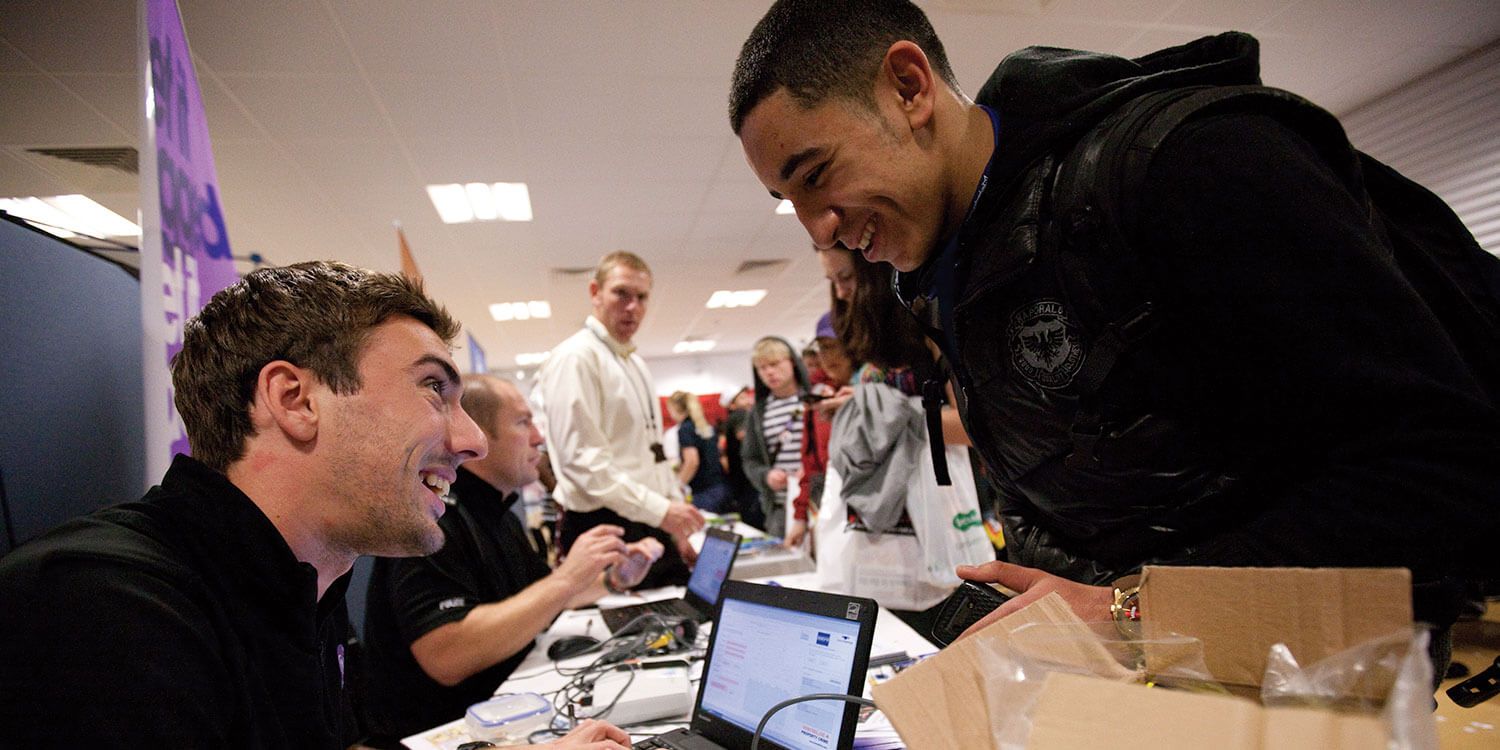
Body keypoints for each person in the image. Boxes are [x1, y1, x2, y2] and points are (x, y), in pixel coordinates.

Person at [731, 0, 1500, 645]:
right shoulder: (949, 274)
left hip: (1342, 679)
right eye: (789, 201)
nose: (819, 229)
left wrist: (1134, 607)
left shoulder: (1186, 163)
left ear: (909, 86)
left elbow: (1441, 465)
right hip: (1165, 676)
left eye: (816, 175)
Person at [0, 261, 630, 749]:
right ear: (295, 400)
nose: (472, 441)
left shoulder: (305, 583)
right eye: (433, 388)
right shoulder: (103, 608)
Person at [361, 374, 663, 742]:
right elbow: (446, 655)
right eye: (523, 422)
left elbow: (535, 600)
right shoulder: (436, 518)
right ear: (476, 436)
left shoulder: (501, 514)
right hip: (449, 733)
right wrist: (566, 579)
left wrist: (612, 580)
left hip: (508, 711)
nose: (538, 437)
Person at [535, 251, 705, 589]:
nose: (632, 307)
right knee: (618, 622)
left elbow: (654, 456)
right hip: (603, 525)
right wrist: (661, 512)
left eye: (641, 297)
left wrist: (674, 523)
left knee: (680, 614)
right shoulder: (576, 358)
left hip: (648, 518)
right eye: (621, 293)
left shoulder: (634, 363)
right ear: (595, 292)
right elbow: (582, 462)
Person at [741, 336, 812, 538]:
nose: (769, 372)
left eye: (774, 364)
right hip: (779, 508)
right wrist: (766, 475)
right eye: (762, 368)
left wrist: (810, 469)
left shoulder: (815, 398)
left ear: (792, 362)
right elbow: (749, 459)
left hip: (816, 503)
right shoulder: (758, 413)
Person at [666, 391, 732, 513]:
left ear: (675, 409)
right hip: (721, 486)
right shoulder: (707, 426)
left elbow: (692, 461)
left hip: (703, 492)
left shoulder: (685, 429)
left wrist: (678, 486)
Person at [718, 385, 764, 528]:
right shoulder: (740, 415)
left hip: (741, 482)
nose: (748, 400)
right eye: (742, 398)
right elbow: (744, 436)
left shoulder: (732, 418)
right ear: (732, 405)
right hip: (748, 481)